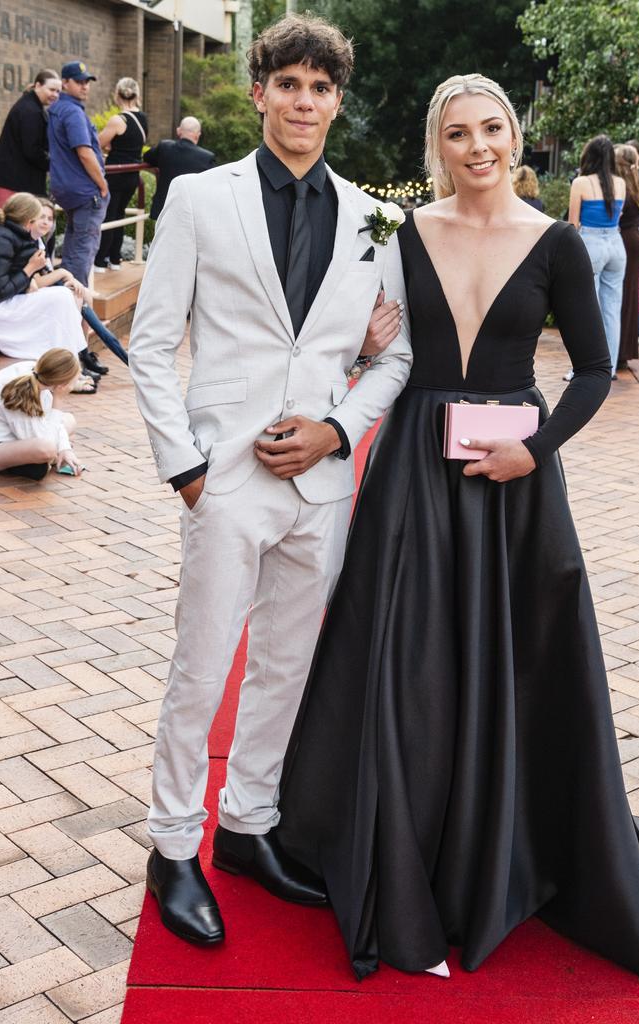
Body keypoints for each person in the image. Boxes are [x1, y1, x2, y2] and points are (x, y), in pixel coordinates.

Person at [277, 74, 639, 991]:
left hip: (514, 479)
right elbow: (358, 334)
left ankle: (501, 844)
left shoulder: (560, 244)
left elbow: (589, 372)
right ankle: (399, 842)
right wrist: (368, 345)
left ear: (515, 135)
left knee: (515, 658)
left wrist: (534, 451)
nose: (479, 146)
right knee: (405, 657)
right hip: (415, 461)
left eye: (493, 128)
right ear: (438, 144)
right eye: (458, 133)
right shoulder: (399, 232)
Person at [129, 13, 412, 947]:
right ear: (260, 93)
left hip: (321, 488)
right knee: (201, 667)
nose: (304, 101)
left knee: (286, 670)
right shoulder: (202, 200)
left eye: (320, 88)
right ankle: (174, 846)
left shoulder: (378, 217)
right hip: (226, 482)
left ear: (338, 101)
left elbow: (395, 355)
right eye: (287, 84)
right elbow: (154, 343)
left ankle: (248, 827)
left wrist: (338, 430)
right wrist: (188, 471)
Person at [0, 193, 94, 391]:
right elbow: (1, 290)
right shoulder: (3, 239)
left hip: (14, 300)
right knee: (60, 298)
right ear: (28, 219)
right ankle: (71, 370)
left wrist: (30, 277)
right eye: (38, 217)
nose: (43, 222)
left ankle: (71, 367)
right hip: (3, 308)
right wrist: (29, 270)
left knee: (66, 296)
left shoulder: (21, 237)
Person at [32, 198, 129, 367]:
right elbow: (37, 281)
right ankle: (82, 359)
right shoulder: (29, 243)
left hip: (52, 288)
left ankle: (84, 357)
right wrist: (63, 274)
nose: (46, 222)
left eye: (49, 218)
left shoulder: (41, 241)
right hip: (34, 295)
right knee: (80, 299)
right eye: (42, 217)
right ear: (30, 217)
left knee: (83, 296)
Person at [567, 135, 626, 379]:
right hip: (616, 244)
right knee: (612, 308)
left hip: (590, 244)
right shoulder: (621, 183)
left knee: (587, 309)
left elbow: (572, 223)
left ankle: (583, 368)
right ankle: (609, 368)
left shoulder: (580, 183)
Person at [0, 348, 82, 480]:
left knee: (69, 420)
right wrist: (58, 400)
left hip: (16, 435)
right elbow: (45, 440)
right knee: (46, 449)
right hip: (2, 441)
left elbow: (48, 421)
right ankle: (40, 463)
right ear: (62, 384)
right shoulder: (20, 390)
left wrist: (65, 449)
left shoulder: (39, 373)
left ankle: (41, 463)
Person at [94, 78, 149, 272]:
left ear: (117, 94)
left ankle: (100, 261)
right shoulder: (143, 118)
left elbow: (97, 143)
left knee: (109, 216)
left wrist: (109, 144)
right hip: (133, 175)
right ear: (137, 95)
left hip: (115, 173)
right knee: (119, 214)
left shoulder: (118, 120)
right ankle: (115, 259)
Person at [0, 70, 61, 205]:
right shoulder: (31, 111)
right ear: (38, 85)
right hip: (16, 186)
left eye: (58, 91)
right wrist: (57, 165)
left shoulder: (30, 106)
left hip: (15, 183)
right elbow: (32, 151)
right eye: (51, 90)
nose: (55, 95)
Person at [143, 117, 215, 220]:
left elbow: (147, 157)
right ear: (198, 134)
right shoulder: (207, 157)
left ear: (178, 131)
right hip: (190, 213)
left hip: (163, 210)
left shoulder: (164, 147)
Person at [615, 143, 639, 365]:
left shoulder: (620, 185)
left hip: (624, 239)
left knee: (620, 296)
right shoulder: (637, 182)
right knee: (629, 295)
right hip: (635, 239)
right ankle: (624, 352)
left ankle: (618, 352)